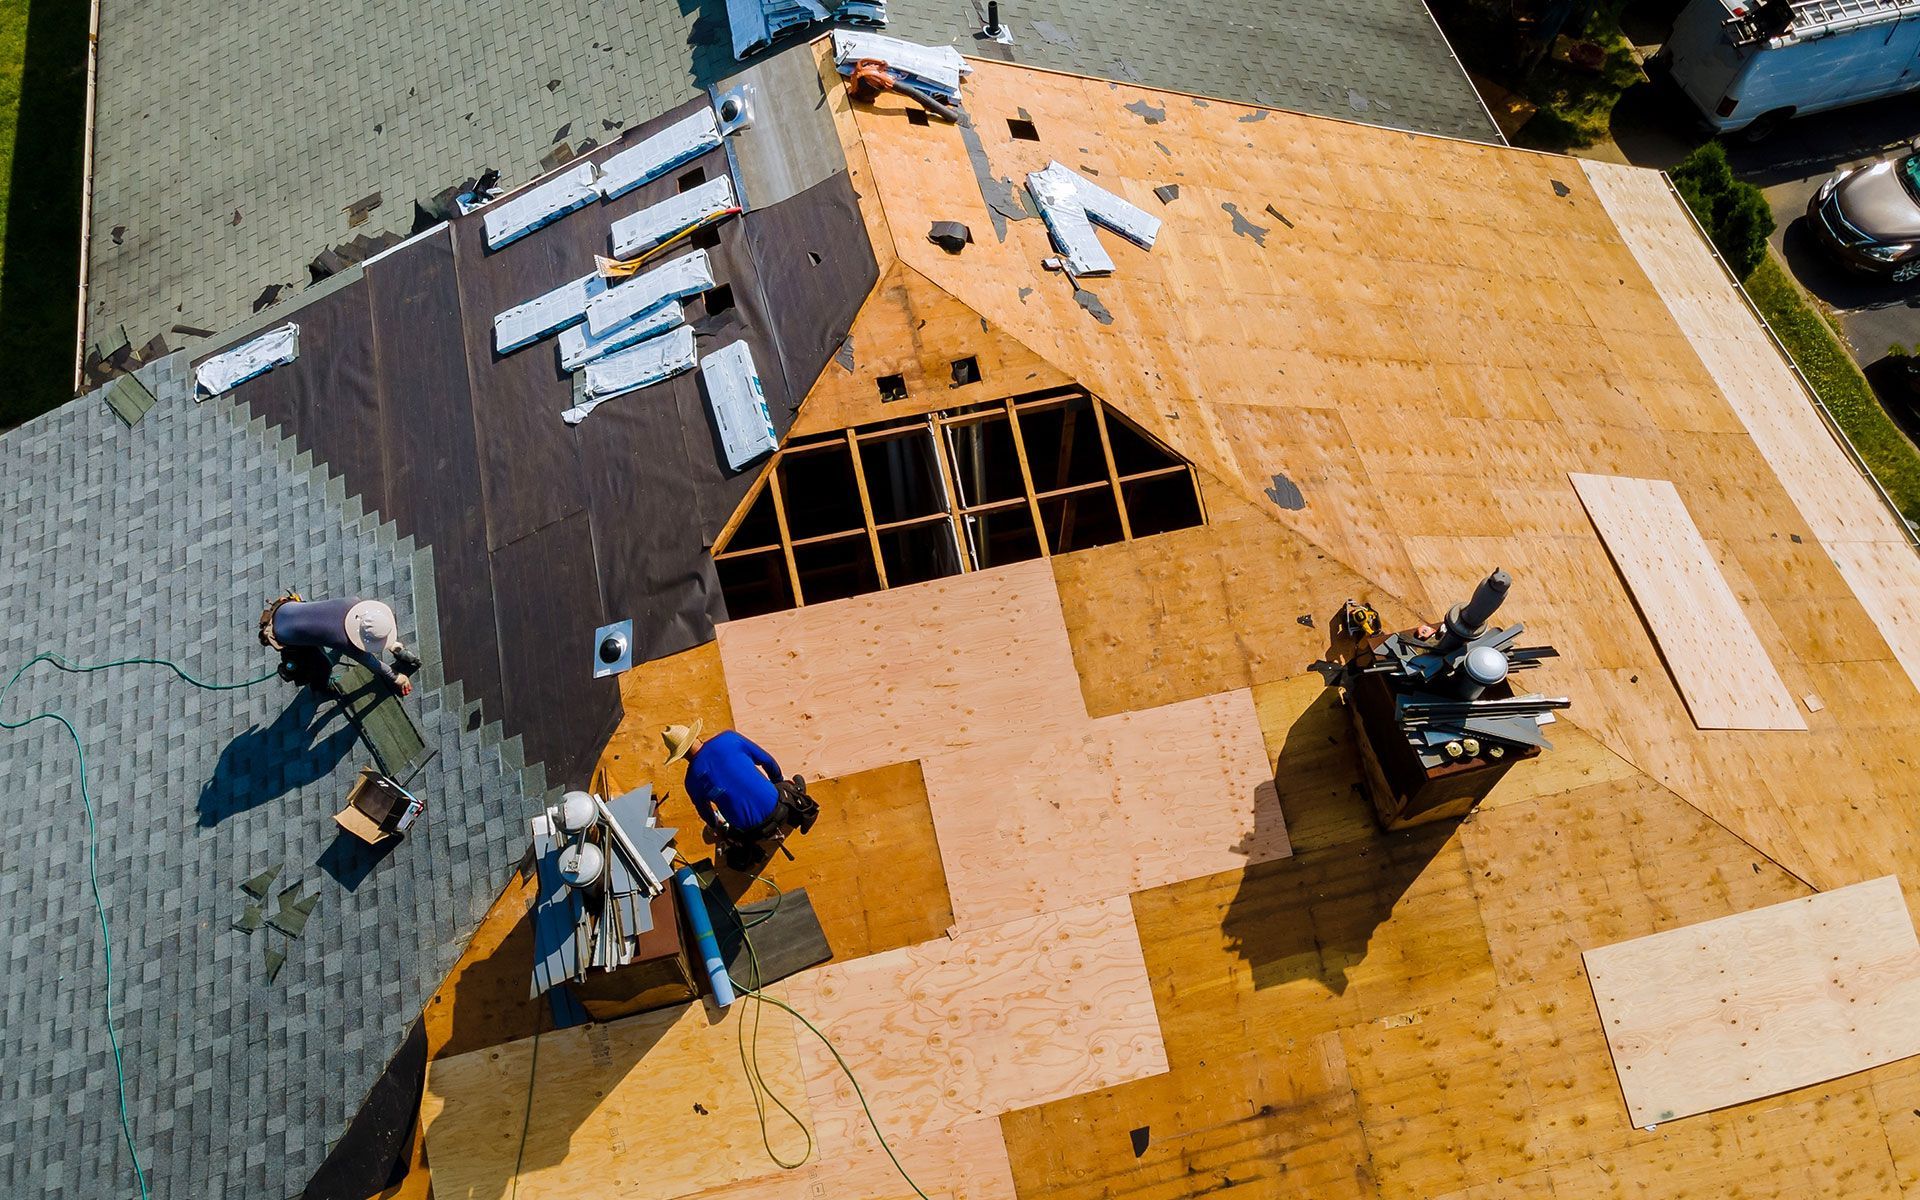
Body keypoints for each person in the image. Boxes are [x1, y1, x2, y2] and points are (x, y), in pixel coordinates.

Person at [663, 720, 818, 869]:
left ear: (681, 755)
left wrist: (717, 828)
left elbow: (707, 814)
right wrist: (779, 783)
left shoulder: (691, 780)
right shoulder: (729, 739)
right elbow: (767, 761)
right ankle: (797, 803)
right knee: (786, 784)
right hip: (781, 808)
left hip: (753, 833)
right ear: (695, 735)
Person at [259, 594, 421, 695]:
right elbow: (372, 663)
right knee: (323, 665)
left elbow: (361, 625)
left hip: (286, 608)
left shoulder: (353, 602)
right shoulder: (345, 641)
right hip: (283, 635)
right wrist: (396, 677)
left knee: (321, 633)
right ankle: (320, 688)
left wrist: (392, 645)